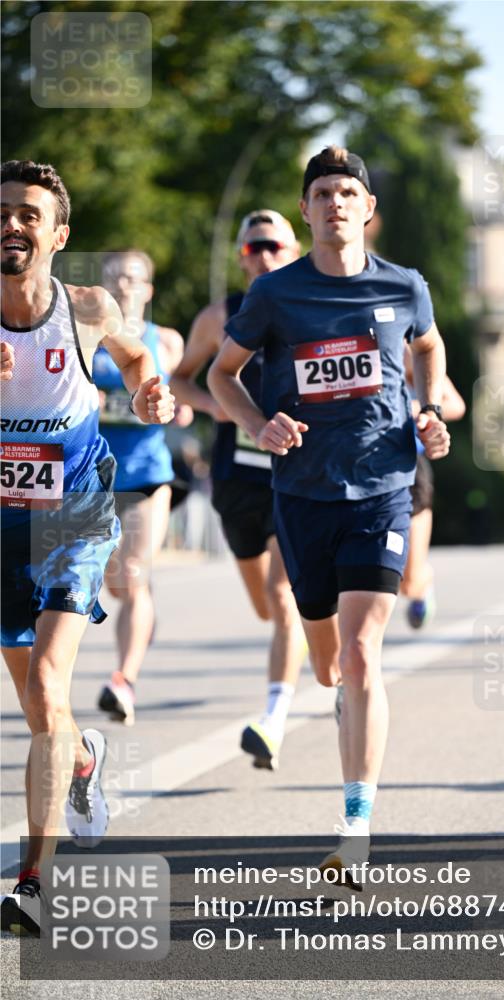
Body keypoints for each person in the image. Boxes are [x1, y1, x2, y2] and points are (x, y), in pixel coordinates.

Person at [207, 146, 450, 882]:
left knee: (361, 652)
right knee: (326, 666)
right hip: (302, 495)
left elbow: (430, 345)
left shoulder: (404, 285)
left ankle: (355, 827)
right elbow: (222, 375)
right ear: (307, 210)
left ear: (366, 209)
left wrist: (429, 408)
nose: (336, 203)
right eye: (322, 193)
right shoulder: (277, 294)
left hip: (381, 486)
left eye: (348, 191)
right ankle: (335, 692)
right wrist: (258, 424)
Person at [0, 159, 174, 935]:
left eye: (28, 214)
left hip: (73, 510)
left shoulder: (89, 307)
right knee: (44, 707)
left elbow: (139, 359)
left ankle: (35, 880)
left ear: (57, 234)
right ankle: (79, 760)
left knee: (46, 680)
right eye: (1, 211)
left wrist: (148, 389)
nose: (11, 224)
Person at [170, 210, 304, 769]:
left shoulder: (310, 307)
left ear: (293, 250)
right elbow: (181, 377)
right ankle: (309, 646)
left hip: (294, 473)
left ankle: (273, 719)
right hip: (236, 479)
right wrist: (217, 408)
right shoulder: (219, 316)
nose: (263, 255)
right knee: (265, 606)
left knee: (282, 597)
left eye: (274, 246)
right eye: (253, 248)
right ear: (241, 257)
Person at [93, 250, 191, 726]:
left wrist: (178, 407)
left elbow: (184, 395)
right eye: (113, 277)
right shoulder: (83, 339)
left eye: (133, 278)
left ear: (148, 289)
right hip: (92, 478)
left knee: (131, 571)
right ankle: (141, 616)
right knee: (117, 583)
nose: (123, 285)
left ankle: (123, 681)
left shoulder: (167, 342)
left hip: (149, 473)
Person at [401, 352, 466, 628]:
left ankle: (423, 584)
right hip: (356, 468)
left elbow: (455, 405)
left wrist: (410, 407)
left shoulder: (406, 348)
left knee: (409, 582)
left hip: (409, 470)